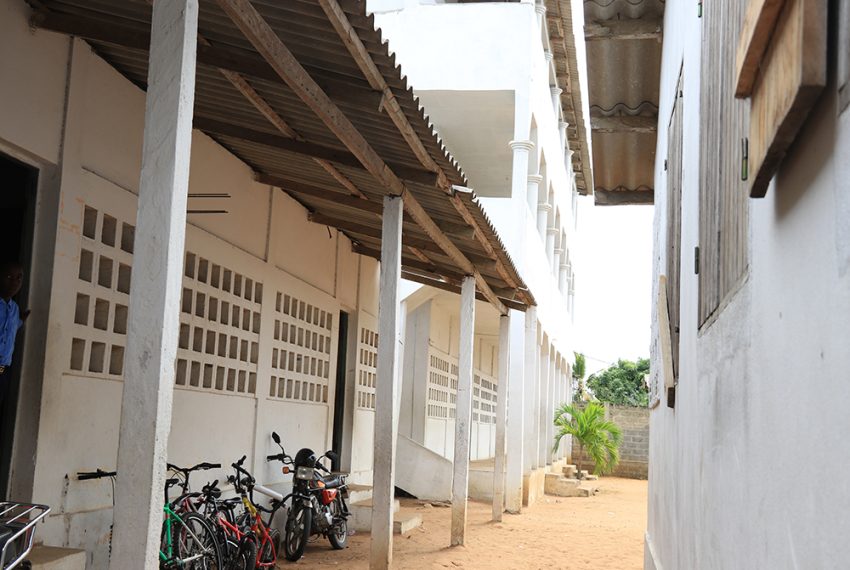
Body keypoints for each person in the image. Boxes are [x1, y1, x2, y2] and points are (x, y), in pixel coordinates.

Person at [0, 261, 27, 411]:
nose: (14, 282)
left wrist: (21, 320)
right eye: (9, 276)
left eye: (19, 278)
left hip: (2, 368)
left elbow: (12, 326)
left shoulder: (14, 308)